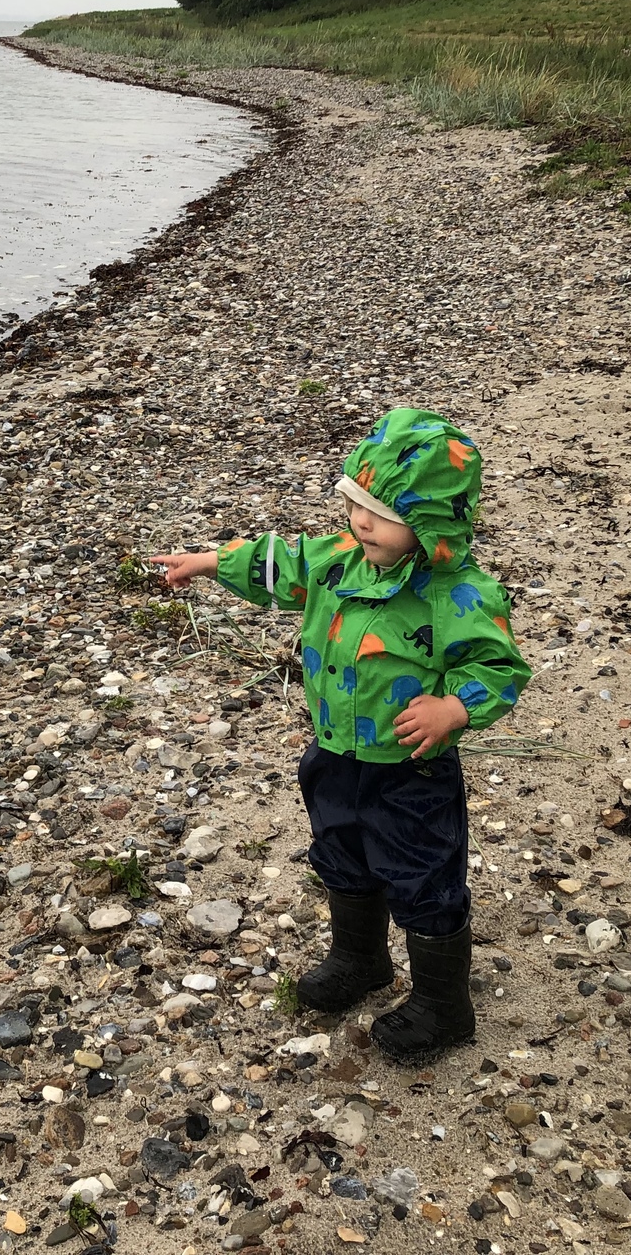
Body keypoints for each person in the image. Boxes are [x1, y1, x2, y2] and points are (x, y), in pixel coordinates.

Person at [151, 408, 531, 1063]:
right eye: (355, 504)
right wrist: (212, 562)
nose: (362, 522)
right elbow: (280, 561)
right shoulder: (336, 562)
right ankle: (360, 958)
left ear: (432, 524)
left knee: (423, 875)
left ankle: (444, 1005)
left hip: (411, 770)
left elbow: (499, 667)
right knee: (341, 853)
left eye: (382, 514)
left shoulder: (458, 594)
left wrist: (454, 708)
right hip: (334, 753)